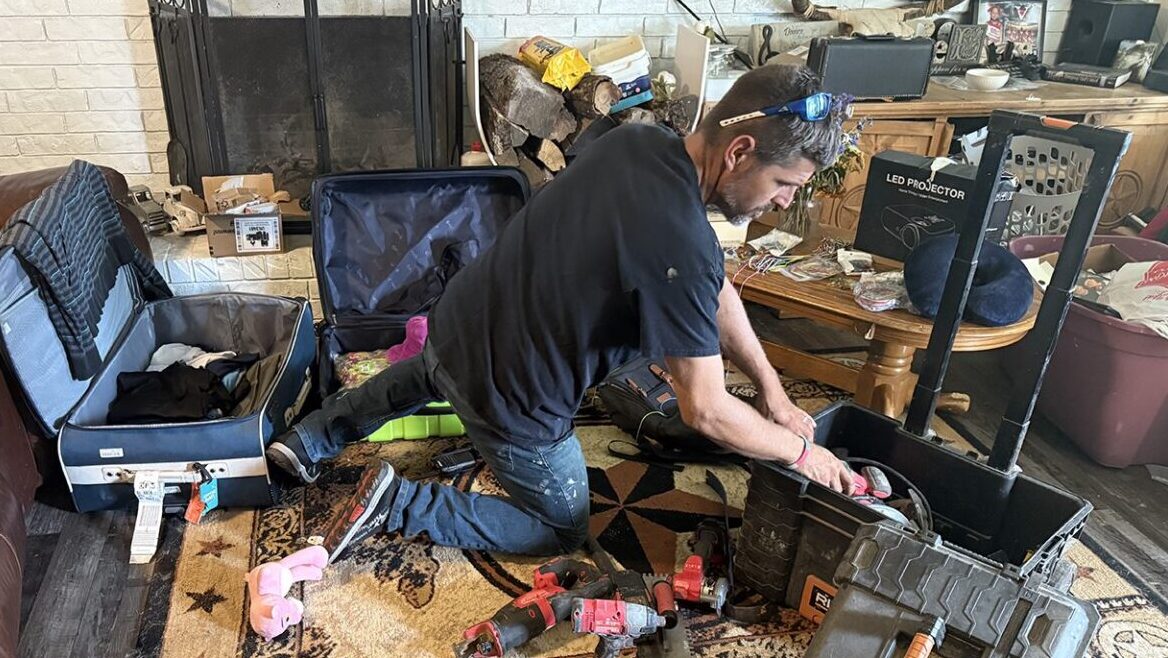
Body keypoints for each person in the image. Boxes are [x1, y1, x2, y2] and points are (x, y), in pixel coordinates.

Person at [266, 64, 857, 563]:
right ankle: (399, 504)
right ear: (739, 152)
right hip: (513, 397)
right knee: (562, 529)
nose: (784, 201)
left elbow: (714, 286)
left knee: (426, 372)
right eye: (785, 183)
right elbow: (705, 410)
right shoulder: (684, 245)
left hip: (457, 322)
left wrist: (773, 391)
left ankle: (311, 438)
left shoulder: (638, 141)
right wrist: (805, 454)